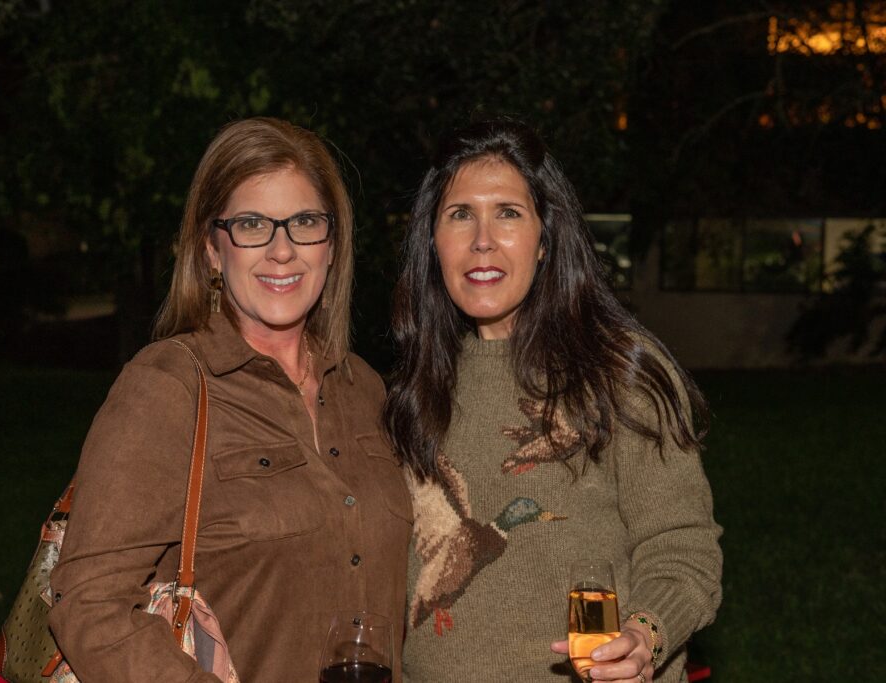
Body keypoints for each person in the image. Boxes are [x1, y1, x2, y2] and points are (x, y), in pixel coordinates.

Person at [49, 117, 411, 683]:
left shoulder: (363, 387)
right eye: (251, 225)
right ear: (212, 250)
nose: (282, 251)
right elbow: (90, 605)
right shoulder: (167, 387)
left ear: (333, 245)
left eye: (305, 223)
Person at [385, 119, 722, 683]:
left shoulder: (618, 373)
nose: (482, 240)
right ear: (433, 242)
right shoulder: (412, 392)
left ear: (545, 241)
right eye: (460, 214)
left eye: (508, 213)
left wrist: (644, 635)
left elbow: (682, 546)